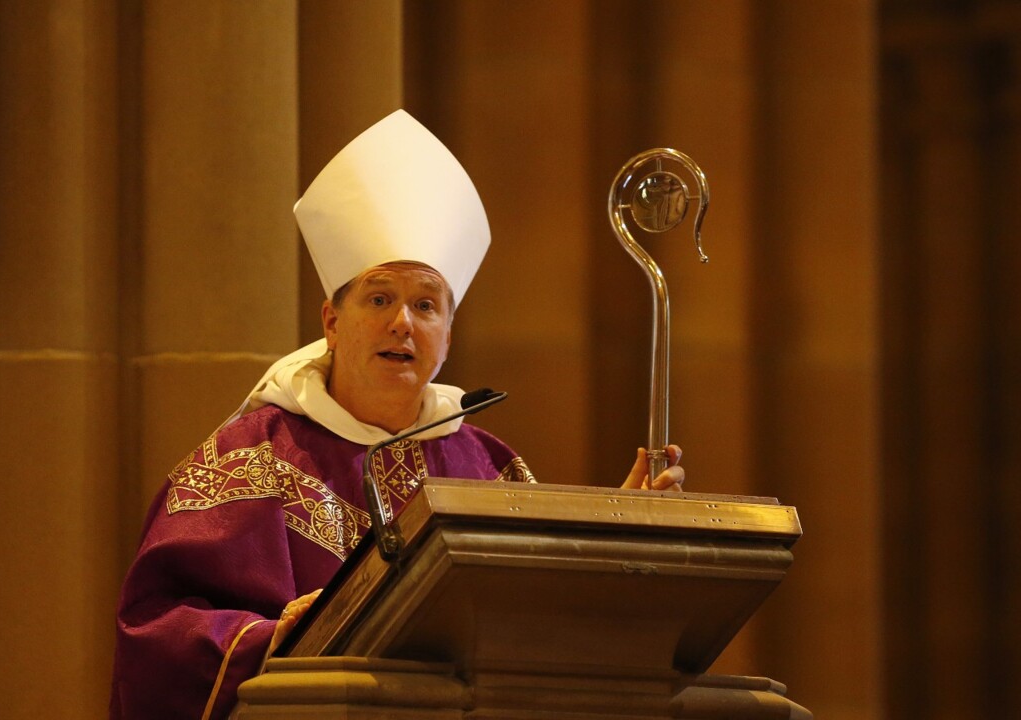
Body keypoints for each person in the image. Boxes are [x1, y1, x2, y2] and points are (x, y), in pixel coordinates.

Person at [109, 110, 683, 720]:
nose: (403, 323)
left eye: (426, 305)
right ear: (332, 322)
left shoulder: (485, 465)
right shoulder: (247, 459)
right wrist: (276, 639)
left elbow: (542, 621)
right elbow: (159, 631)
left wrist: (621, 533)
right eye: (380, 299)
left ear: (448, 337)